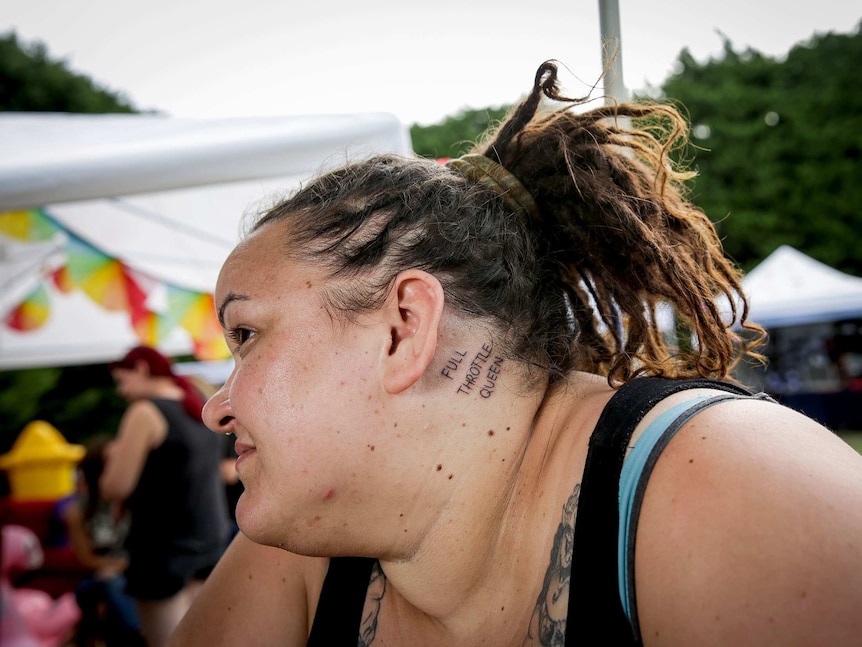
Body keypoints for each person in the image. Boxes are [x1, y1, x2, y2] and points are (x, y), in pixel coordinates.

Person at [168, 61, 862, 646]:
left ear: (404, 327)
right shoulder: (302, 541)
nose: (214, 406)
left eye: (247, 336)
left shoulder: (733, 490)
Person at [101, 345, 231, 647]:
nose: (122, 391)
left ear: (143, 369)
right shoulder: (198, 403)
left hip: (162, 547)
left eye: (123, 381)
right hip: (209, 536)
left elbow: (115, 487)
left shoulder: (145, 411)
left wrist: (115, 455)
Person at [55, 436, 144, 646]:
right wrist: (121, 566)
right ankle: (139, 636)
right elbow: (86, 559)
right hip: (99, 577)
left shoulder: (136, 501)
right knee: (113, 583)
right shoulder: (78, 511)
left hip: (136, 572)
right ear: (98, 470)